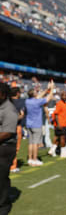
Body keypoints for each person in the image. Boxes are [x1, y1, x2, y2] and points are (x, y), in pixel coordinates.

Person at [25, 81, 54, 166]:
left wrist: (47, 89)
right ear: (33, 94)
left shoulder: (27, 101)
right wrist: (52, 89)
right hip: (36, 125)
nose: (37, 93)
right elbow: (49, 97)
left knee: (30, 143)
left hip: (29, 124)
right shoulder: (37, 101)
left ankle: (30, 159)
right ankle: (35, 159)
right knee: (35, 143)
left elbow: (39, 96)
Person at [0, 82, 18, 215]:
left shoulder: (9, 109)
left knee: (1, 177)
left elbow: (8, 132)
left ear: (3, 94)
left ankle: (3, 206)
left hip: (5, 147)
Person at [50, 91, 66, 158]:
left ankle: (52, 150)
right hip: (61, 123)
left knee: (57, 137)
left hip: (64, 123)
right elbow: (56, 114)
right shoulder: (59, 103)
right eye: (64, 95)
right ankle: (63, 153)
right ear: (61, 96)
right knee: (62, 138)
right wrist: (58, 124)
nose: (65, 97)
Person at [10, 87, 25, 173]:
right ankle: (12, 166)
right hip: (15, 127)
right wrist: (21, 116)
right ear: (17, 93)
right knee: (15, 147)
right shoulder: (19, 102)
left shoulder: (6, 102)